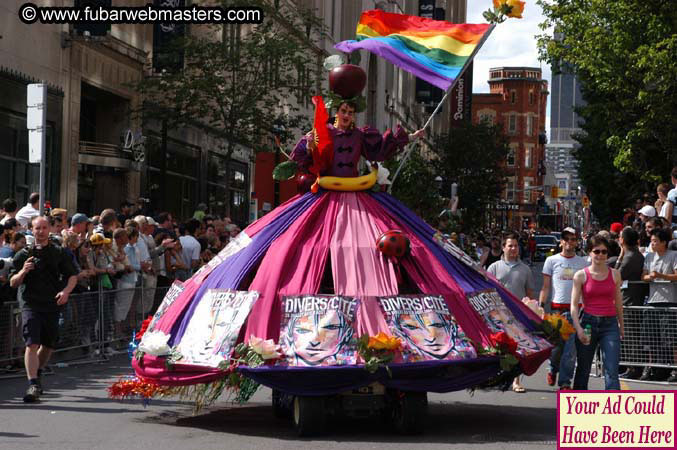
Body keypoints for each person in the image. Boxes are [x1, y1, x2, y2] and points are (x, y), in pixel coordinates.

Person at [9, 216, 78, 403]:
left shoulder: (59, 252)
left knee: (48, 344)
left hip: (51, 304)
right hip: (30, 303)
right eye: (37, 228)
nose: (40, 231)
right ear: (31, 230)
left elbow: (73, 276)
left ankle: (37, 373)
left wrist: (65, 292)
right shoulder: (23, 254)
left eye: (44, 227)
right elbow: (13, 282)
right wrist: (23, 270)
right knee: (31, 343)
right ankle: (32, 383)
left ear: (50, 229)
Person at [570, 235, 624, 390]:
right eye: (597, 251)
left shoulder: (615, 274)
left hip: (610, 324)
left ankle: (613, 408)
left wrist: (622, 325)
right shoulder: (581, 275)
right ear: (589, 253)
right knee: (584, 368)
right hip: (588, 323)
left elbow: (618, 302)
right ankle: (578, 406)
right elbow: (574, 305)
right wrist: (578, 328)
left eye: (604, 252)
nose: (600, 255)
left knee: (612, 369)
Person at [539, 228, 589, 389]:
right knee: (556, 347)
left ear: (576, 242)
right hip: (556, 310)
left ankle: (565, 382)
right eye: (566, 239)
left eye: (573, 239)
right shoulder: (551, 261)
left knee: (570, 349)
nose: (569, 242)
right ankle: (553, 369)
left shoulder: (582, 262)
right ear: (561, 242)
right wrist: (541, 306)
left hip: (575, 310)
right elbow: (546, 287)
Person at [487, 232, 536, 393]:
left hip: (518, 315)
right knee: (498, 346)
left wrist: (532, 312)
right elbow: (486, 291)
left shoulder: (525, 269)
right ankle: (496, 376)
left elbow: (529, 293)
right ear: (503, 248)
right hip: (498, 314)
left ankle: (516, 381)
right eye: (510, 245)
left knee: (519, 347)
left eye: (516, 246)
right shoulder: (494, 267)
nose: (514, 249)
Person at [640, 228, 677, 381]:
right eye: (651, 241)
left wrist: (661, 275)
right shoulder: (648, 256)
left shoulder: (673, 255)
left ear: (664, 242)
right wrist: (649, 277)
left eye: (655, 241)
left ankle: (674, 369)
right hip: (652, 300)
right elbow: (643, 276)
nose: (652, 243)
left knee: (671, 338)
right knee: (651, 338)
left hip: (669, 301)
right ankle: (652, 368)